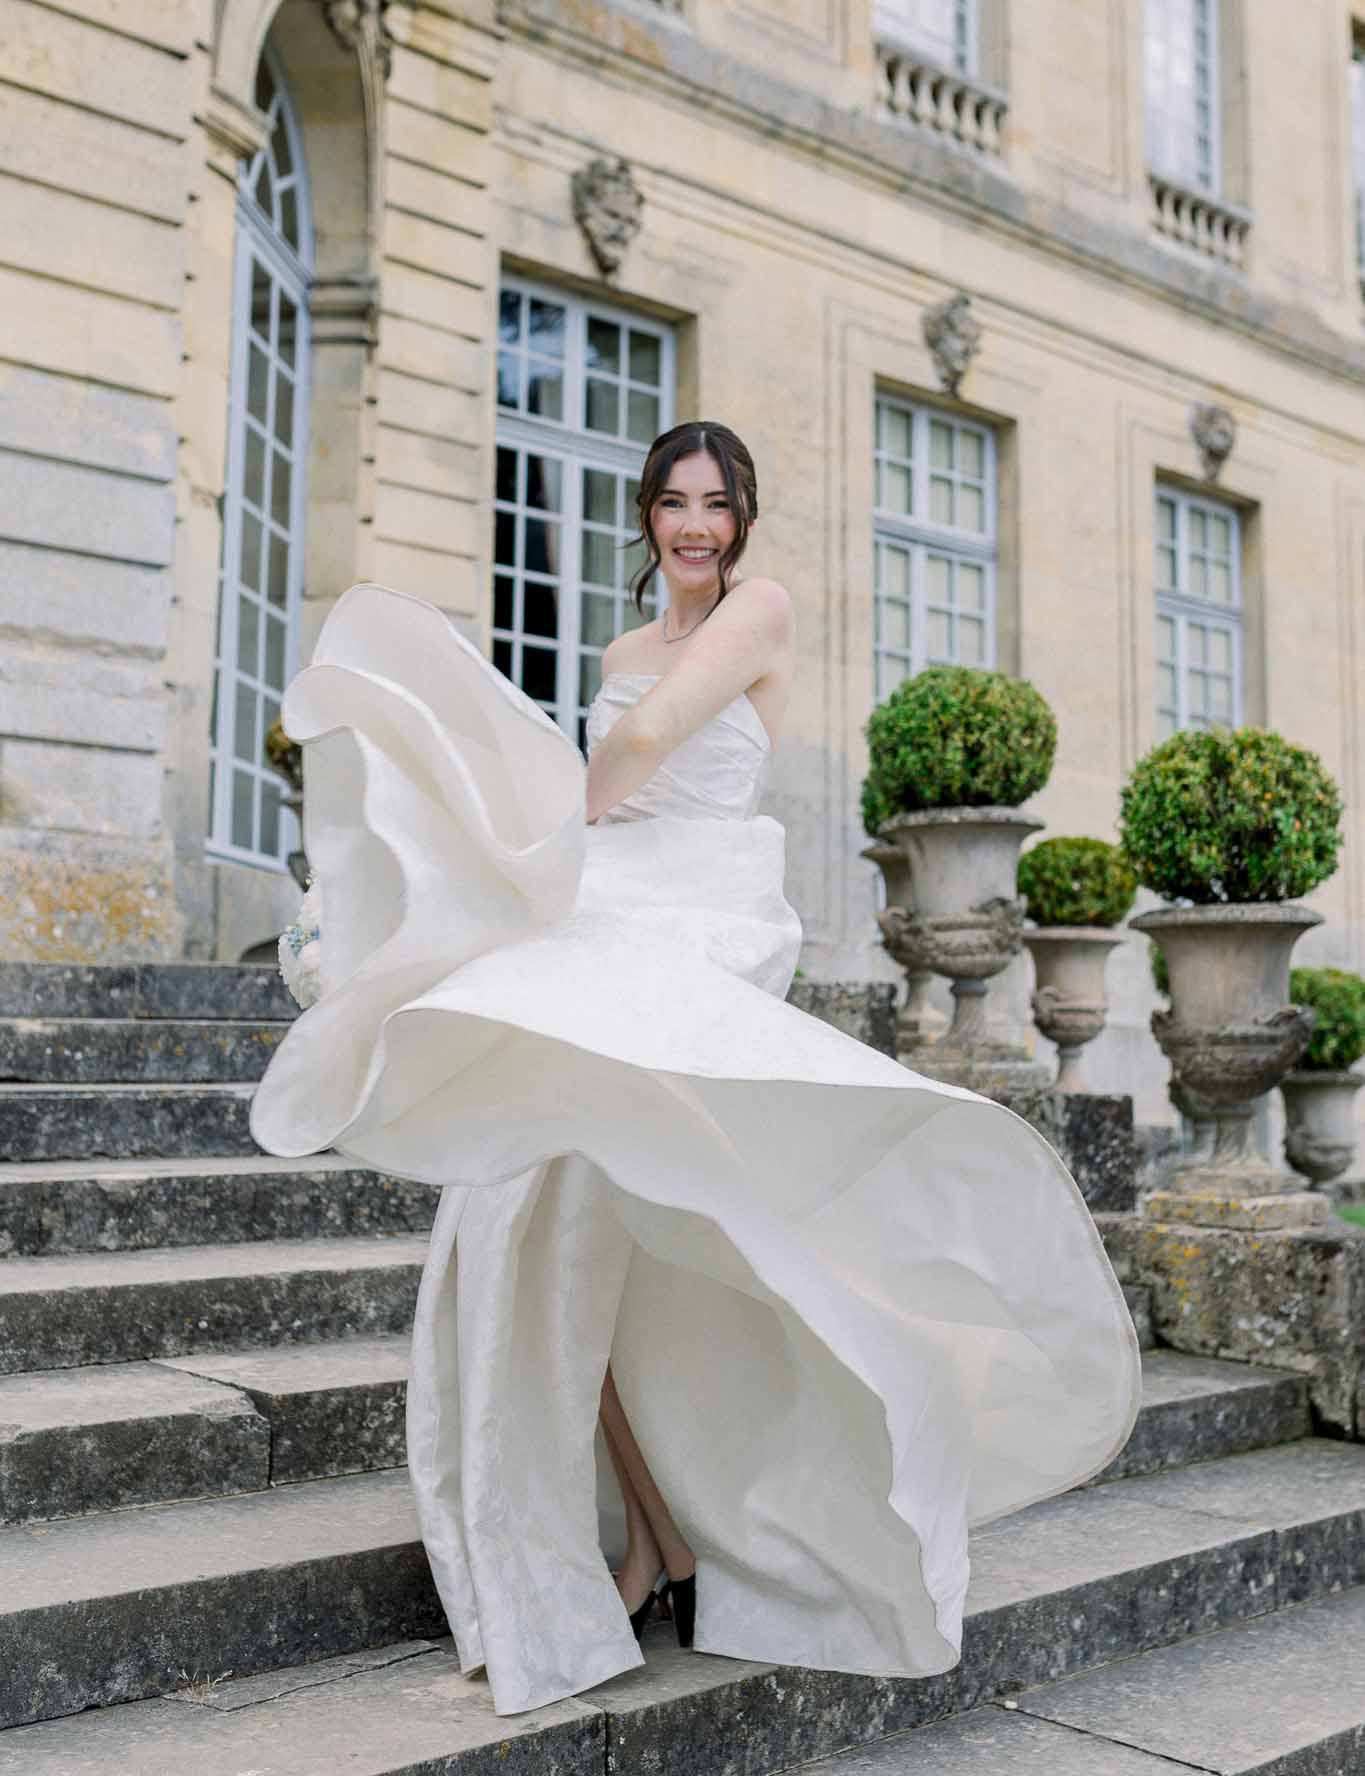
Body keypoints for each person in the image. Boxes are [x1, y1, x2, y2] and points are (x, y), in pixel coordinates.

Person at [251, 420, 1142, 1719]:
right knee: (536, 1216)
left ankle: (725, 1513)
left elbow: (654, 737)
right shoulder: (615, 649)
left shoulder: (759, 612)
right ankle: (650, 1541)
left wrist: (537, 831)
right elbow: (619, 737)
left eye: (714, 505)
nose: (692, 526)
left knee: (636, 1213)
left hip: (703, 916)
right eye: (672, 502)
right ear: (646, 513)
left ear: (743, 519)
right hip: (608, 907)